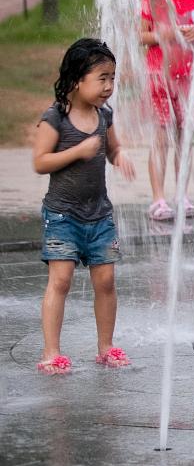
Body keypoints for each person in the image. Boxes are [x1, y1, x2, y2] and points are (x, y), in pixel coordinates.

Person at [32, 39, 137, 374]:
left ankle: (105, 347)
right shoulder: (56, 117)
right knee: (60, 280)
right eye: (101, 78)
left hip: (99, 214)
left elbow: (112, 147)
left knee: (106, 281)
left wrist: (120, 156)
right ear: (77, 79)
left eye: (112, 78)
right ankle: (51, 353)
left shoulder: (104, 115)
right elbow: (40, 161)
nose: (108, 86)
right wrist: (77, 152)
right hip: (63, 215)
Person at [141, 0, 194, 221]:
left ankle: (182, 194)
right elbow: (139, 35)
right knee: (161, 138)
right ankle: (158, 199)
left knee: (184, 138)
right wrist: (160, 35)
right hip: (161, 79)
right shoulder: (153, 1)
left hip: (190, 80)